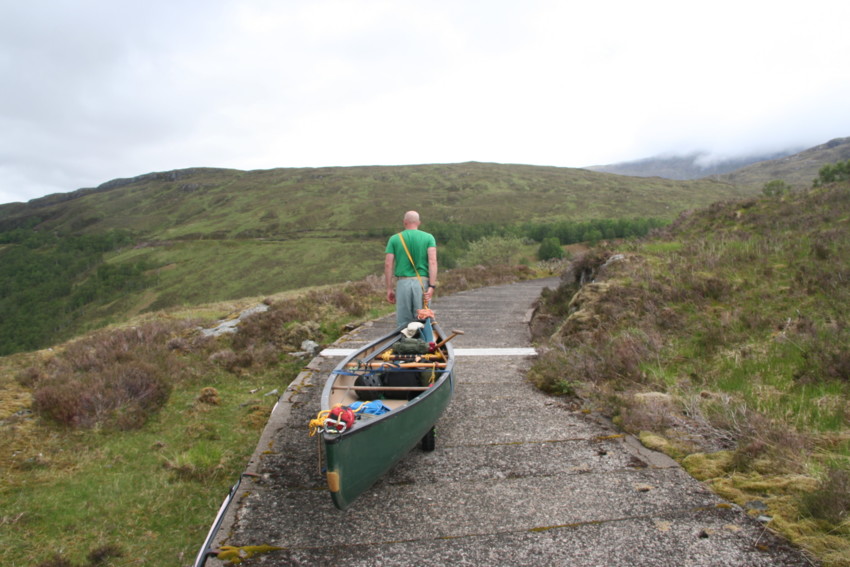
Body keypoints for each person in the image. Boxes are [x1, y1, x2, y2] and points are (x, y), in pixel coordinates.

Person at [384, 210, 438, 328]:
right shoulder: (429, 237)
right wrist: (432, 286)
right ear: (419, 222)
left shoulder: (394, 239)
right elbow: (432, 262)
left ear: (404, 222)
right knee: (424, 319)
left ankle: (406, 345)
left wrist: (389, 288)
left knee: (403, 324)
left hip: (403, 283)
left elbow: (388, 264)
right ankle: (424, 344)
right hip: (422, 284)